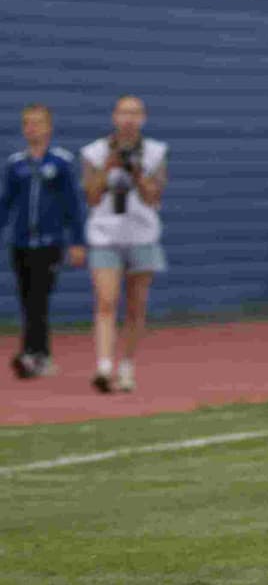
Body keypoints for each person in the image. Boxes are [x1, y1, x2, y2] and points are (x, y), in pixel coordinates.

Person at [81, 95, 167, 395]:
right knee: (106, 300)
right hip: (105, 235)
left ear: (143, 118)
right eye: (123, 113)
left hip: (141, 235)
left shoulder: (155, 152)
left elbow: (154, 196)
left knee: (135, 306)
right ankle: (104, 366)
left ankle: (127, 366)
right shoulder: (94, 152)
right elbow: (91, 195)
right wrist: (108, 167)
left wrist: (137, 172)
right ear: (114, 117)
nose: (129, 119)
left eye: (135, 113)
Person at [1, 104, 86, 379]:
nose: (31, 128)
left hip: (49, 244)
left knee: (39, 298)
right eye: (27, 123)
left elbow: (72, 204)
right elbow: (6, 204)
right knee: (27, 300)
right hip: (21, 243)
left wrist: (76, 241)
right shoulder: (16, 164)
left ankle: (33, 354)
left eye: (37, 123)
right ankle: (39, 355)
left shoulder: (60, 162)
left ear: (49, 127)